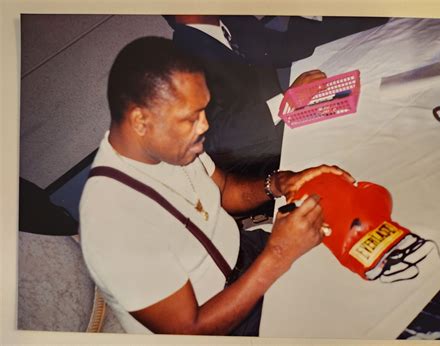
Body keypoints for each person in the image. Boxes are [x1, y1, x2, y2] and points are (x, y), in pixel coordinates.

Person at [79, 36, 354, 335]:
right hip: (220, 322)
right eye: (191, 118)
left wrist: (275, 183)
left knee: (352, 251)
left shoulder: (169, 145)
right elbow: (189, 330)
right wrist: (278, 254)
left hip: (249, 255)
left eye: (204, 111)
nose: (205, 126)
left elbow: (223, 191)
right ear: (140, 121)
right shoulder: (111, 221)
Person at [166, 15, 389, 178]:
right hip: (259, 157)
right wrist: (286, 101)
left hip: (293, 123)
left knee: (373, 99)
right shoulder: (181, 61)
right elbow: (217, 140)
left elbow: (290, 45)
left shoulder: (234, 21)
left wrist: (372, 13)